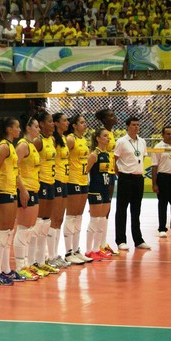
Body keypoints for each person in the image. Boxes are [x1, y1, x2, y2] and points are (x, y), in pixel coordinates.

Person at [0, 117, 24, 284]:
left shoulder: (11, 146)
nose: (19, 129)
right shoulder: (4, 147)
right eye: (17, 126)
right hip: (3, 190)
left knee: (9, 231)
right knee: (3, 231)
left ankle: (6, 269)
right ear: (9, 129)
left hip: (11, 190)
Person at [14, 116, 45, 279]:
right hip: (25, 190)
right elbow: (14, 169)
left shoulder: (32, 146)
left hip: (34, 189)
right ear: (28, 129)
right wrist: (23, 190)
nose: (39, 130)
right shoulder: (23, 146)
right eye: (36, 127)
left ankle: (27, 264)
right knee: (23, 229)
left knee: (31, 229)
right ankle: (20, 266)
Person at [31, 111, 60, 274]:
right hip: (41, 182)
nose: (52, 124)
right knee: (38, 222)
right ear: (41, 124)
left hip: (51, 182)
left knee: (46, 222)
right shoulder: (38, 142)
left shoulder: (52, 139)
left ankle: (42, 260)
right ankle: (33, 261)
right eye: (49, 121)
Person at [114, 116, 150, 250]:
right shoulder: (121, 142)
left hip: (138, 178)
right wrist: (121, 174)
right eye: (133, 125)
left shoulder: (142, 141)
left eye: (138, 125)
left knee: (136, 210)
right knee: (122, 210)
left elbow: (142, 157)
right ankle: (120, 240)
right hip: (125, 178)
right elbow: (115, 160)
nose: (136, 127)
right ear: (127, 126)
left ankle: (138, 240)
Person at [64, 114, 93, 263]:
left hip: (83, 181)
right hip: (72, 180)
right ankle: (68, 253)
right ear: (74, 125)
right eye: (81, 122)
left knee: (79, 216)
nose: (84, 124)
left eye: (84, 122)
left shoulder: (83, 140)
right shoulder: (70, 139)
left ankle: (76, 250)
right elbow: (62, 156)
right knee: (71, 216)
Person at [84, 127, 113, 260]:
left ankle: (97, 249)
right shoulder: (94, 155)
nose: (108, 138)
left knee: (102, 220)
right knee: (94, 220)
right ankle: (88, 250)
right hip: (95, 189)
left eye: (108, 136)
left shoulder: (106, 154)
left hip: (105, 189)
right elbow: (85, 172)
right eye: (105, 136)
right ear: (98, 138)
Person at [94, 109, 119, 255]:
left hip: (110, 173)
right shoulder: (102, 133)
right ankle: (98, 244)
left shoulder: (111, 133)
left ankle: (103, 243)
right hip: (102, 173)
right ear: (104, 119)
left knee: (107, 208)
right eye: (110, 115)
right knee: (102, 208)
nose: (114, 117)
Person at [48, 113, 71, 268]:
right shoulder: (53, 140)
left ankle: (55, 254)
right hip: (55, 180)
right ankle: (50, 256)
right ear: (56, 123)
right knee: (53, 219)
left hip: (64, 180)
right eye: (64, 120)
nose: (67, 122)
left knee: (59, 220)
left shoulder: (63, 138)